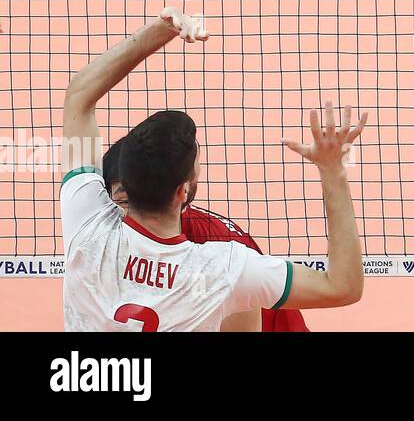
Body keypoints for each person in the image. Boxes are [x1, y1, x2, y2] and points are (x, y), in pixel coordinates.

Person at [60, 8, 368, 331]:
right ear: (183, 191)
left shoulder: (86, 223)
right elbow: (343, 286)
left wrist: (159, 32)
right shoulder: (225, 271)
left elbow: (79, 97)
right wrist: (332, 171)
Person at [101, 138, 310, 332]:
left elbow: (337, 287)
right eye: (125, 201)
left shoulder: (225, 249)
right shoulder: (97, 238)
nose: (138, 210)